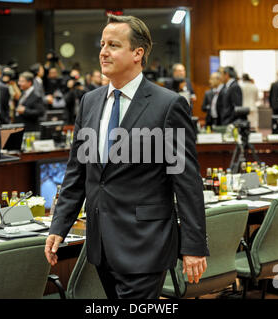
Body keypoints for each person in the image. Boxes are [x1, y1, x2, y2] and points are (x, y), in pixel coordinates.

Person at [45, 14, 208, 299]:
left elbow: (187, 181)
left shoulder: (169, 105)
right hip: (101, 244)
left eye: (113, 45)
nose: (103, 52)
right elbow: (77, 171)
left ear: (137, 53)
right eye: (102, 44)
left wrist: (193, 245)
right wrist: (60, 224)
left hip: (146, 243)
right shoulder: (90, 101)